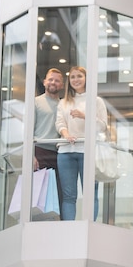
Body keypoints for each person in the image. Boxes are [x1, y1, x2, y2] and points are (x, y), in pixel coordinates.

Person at [55, 66, 108, 221]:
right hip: (66, 151)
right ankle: (68, 230)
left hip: (88, 151)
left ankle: (89, 228)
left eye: (79, 76)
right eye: (72, 77)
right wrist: (67, 135)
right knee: (68, 196)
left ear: (86, 79)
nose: (76, 80)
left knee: (91, 194)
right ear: (69, 80)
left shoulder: (96, 101)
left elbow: (103, 126)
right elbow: (60, 123)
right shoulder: (63, 102)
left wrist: (85, 116)